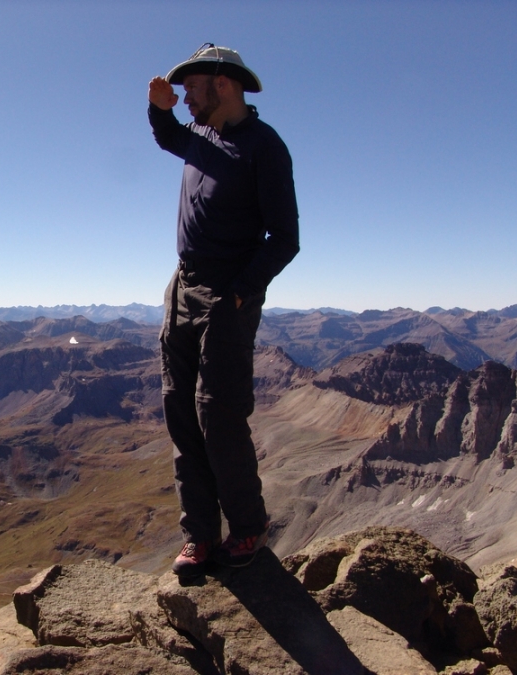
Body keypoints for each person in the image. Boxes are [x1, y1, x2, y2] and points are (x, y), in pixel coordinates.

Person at [148, 44, 299, 576]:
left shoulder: (263, 148)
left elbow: (285, 238)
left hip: (226, 295)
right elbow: (167, 135)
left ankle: (247, 528)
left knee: (219, 413)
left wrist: (241, 291)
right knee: (180, 412)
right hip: (182, 287)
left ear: (224, 83)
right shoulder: (200, 137)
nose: (187, 95)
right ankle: (200, 537)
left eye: (192, 86)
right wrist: (160, 107)